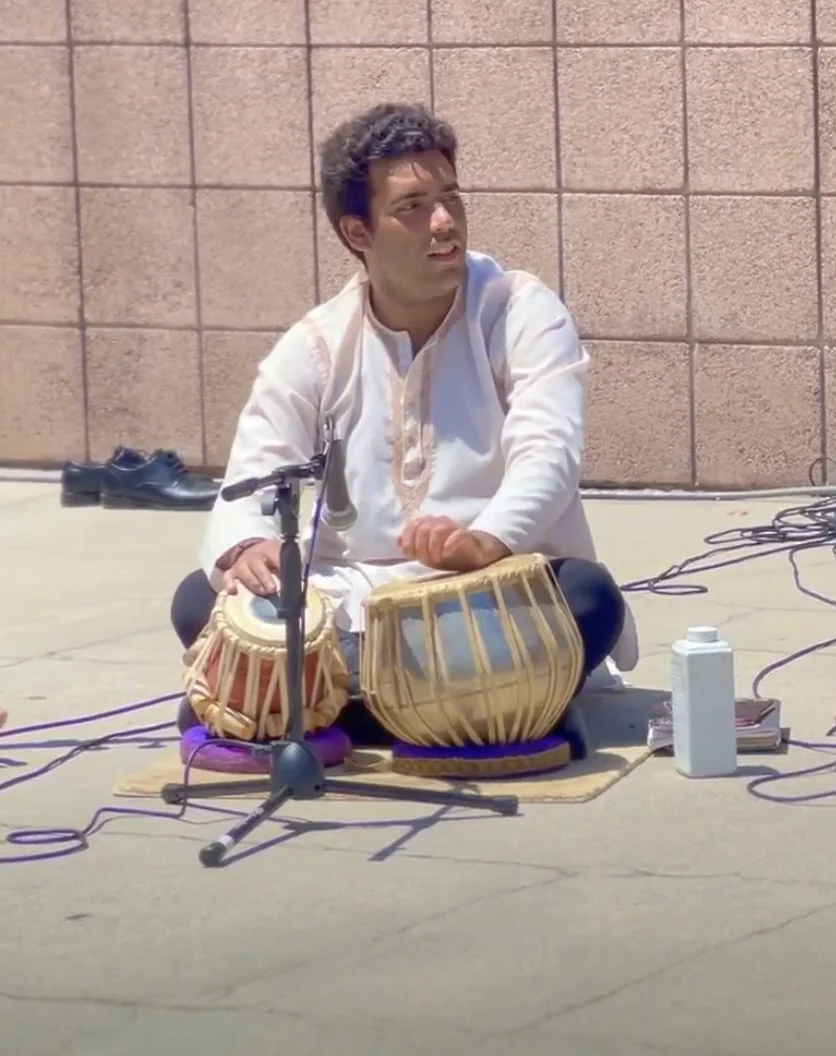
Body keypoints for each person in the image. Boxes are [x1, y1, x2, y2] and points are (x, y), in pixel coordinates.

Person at [171, 103, 637, 756]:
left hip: (489, 591)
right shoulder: (315, 346)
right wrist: (245, 549)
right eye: (413, 207)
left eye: (449, 197)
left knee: (588, 598)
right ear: (358, 233)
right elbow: (252, 473)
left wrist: (484, 541)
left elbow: (549, 455)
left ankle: (319, 705)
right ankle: (459, 706)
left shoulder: (518, 311)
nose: (444, 223)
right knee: (201, 598)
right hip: (350, 601)